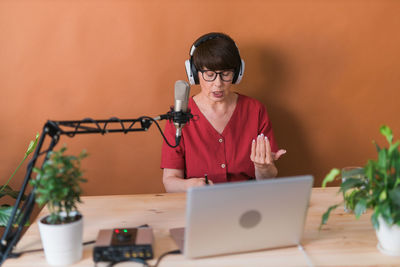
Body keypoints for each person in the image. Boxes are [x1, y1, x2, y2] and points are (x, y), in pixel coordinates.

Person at [161, 32, 286, 193]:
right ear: (194, 74)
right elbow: (169, 181)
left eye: (225, 74)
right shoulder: (179, 116)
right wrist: (191, 186)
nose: (218, 84)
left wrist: (263, 168)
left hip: (246, 202)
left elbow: (268, 179)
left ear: (237, 73)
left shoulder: (255, 110)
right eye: (210, 75)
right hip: (201, 203)